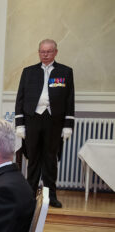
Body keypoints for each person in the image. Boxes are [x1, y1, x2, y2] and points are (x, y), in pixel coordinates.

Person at [15, 39, 74, 208]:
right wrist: (20, 123)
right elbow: (20, 98)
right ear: (39, 52)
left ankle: (50, 196)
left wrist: (68, 125)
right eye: (42, 51)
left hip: (53, 120)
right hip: (32, 119)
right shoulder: (28, 72)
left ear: (55, 52)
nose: (45, 55)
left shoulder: (65, 72)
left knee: (50, 159)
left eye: (48, 51)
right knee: (33, 158)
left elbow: (70, 100)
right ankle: (30, 195)